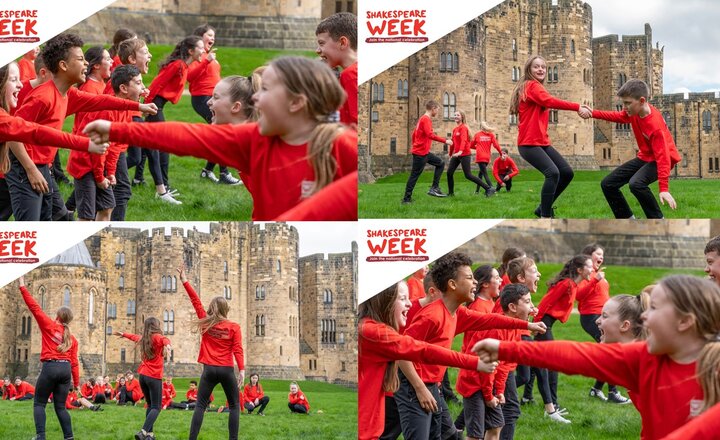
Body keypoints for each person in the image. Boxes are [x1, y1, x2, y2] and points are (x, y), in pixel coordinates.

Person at [84, 56, 357, 221]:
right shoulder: (253, 140)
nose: (257, 97)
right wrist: (116, 129)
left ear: (296, 103)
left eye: (268, 90)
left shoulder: (342, 150)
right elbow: (188, 137)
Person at [473, 275, 720, 440]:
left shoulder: (714, 371)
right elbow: (577, 356)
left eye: (655, 309)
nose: (644, 317)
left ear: (685, 321)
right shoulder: (643, 359)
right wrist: (505, 348)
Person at [396, 252, 546, 440]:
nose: (475, 282)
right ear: (452, 285)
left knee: (450, 436)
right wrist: (420, 388)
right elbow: (400, 351)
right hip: (414, 387)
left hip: (433, 385)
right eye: (469, 278)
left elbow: (491, 320)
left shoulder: (458, 312)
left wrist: (527, 325)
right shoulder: (432, 316)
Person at [7, 33, 154, 221]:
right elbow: (12, 132)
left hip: (43, 166)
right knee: (31, 228)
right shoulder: (42, 97)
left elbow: (102, 100)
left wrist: (138, 106)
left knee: (54, 221)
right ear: (63, 66)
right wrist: (31, 169)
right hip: (24, 167)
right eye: (80, 59)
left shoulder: (70, 94)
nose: (86, 64)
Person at [360, 281, 490, 440]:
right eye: (402, 299)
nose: (409, 303)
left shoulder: (372, 329)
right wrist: (475, 363)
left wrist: (527, 325)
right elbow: (424, 350)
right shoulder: (373, 332)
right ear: (384, 301)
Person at [0, 61, 108, 221]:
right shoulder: (8, 117)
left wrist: (137, 106)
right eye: (14, 80)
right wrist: (86, 144)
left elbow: (98, 102)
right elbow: (38, 132)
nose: (20, 85)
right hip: (21, 171)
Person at [509, 55, 590, 218]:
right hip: (529, 144)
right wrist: (577, 107)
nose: (541, 70)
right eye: (536, 67)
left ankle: (542, 208)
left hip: (541, 142)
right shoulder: (531, 86)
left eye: (543, 67)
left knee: (566, 172)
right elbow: (550, 101)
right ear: (529, 70)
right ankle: (545, 216)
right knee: (553, 173)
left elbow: (546, 101)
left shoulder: (536, 87)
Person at [587, 79, 680, 218]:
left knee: (636, 184)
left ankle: (658, 221)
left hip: (663, 159)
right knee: (608, 184)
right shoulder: (634, 113)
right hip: (646, 157)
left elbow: (663, 158)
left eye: (627, 103)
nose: (624, 107)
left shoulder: (655, 127)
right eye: (623, 103)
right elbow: (618, 116)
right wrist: (592, 113)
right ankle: (628, 220)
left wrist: (664, 189)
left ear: (642, 101)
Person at [533, 254, 604, 421]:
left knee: (535, 367)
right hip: (543, 324)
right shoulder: (566, 284)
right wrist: (535, 325)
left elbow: (579, 293)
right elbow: (545, 303)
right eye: (589, 266)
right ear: (579, 270)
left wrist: (594, 281)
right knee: (550, 365)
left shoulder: (572, 284)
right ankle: (552, 408)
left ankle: (545, 404)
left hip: (546, 324)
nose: (593, 269)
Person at [178, 265, 245, 440]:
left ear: (211, 308)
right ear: (226, 309)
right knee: (235, 405)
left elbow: (195, 301)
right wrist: (242, 370)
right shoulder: (234, 327)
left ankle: (192, 439)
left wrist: (184, 280)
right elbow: (238, 349)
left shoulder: (206, 322)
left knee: (200, 405)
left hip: (209, 370)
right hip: (226, 370)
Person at [19, 276, 80, 440]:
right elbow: (74, 363)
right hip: (66, 370)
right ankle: (69, 437)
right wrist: (77, 383)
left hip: (51, 368)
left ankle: (41, 437)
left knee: (39, 403)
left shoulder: (50, 325)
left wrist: (22, 286)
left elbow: (34, 307)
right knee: (61, 407)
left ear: (58, 316)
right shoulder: (72, 339)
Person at [144, 35, 204, 192]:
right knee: (163, 146)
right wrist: (145, 106)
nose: (204, 50)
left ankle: (140, 179)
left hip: (158, 105)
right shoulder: (177, 65)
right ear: (191, 51)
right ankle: (164, 186)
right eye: (201, 48)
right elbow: (158, 83)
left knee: (145, 147)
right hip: (154, 105)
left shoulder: (184, 66)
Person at [67, 46, 116, 221]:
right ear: (96, 66)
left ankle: (64, 211)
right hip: (87, 154)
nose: (112, 62)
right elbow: (87, 130)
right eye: (108, 59)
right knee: (87, 212)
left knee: (105, 204)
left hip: (98, 155)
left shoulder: (102, 85)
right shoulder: (88, 88)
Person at [188, 24, 242, 185]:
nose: (212, 38)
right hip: (202, 98)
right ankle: (223, 173)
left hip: (213, 97)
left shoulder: (208, 55)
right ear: (200, 37)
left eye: (213, 36)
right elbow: (189, 76)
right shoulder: (198, 55)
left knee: (220, 131)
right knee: (222, 131)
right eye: (209, 35)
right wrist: (206, 61)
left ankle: (207, 171)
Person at [577, 244, 629, 404]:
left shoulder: (596, 274)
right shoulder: (586, 274)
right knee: (611, 349)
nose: (601, 257)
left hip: (602, 315)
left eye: (602, 255)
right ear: (588, 256)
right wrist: (594, 279)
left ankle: (596, 389)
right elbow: (578, 294)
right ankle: (612, 392)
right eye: (598, 254)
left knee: (609, 350)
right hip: (591, 316)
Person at [115, 317, 171, 440]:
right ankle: (143, 431)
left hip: (143, 376)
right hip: (153, 376)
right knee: (156, 407)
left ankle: (150, 436)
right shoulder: (156, 336)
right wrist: (168, 346)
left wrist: (124, 334)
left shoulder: (145, 339)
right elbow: (164, 339)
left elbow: (134, 337)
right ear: (156, 325)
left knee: (150, 405)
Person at [402, 100, 452, 203]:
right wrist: (445, 141)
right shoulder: (426, 119)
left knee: (441, 163)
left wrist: (415, 145)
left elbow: (414, 134)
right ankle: (406, 199)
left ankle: (434, 188)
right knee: (414, 176)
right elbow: (430, 135)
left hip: (423, 152)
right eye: (437, 110)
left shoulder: (422, 119)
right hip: (420, 154)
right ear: (433, 108)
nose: (437, 112)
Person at [316, 12, 357, 127]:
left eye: (321, 43)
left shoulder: (350, 74)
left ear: (342, 43)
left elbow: (356, 125)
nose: (317, 50)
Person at [447, 111, 495, 197]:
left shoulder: (464, 128)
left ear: (462, 117)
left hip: (465, 154)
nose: (456, 116)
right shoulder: (455, 129)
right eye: (455, 115)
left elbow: (464, 140)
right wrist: (451, 154)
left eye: (458, 115)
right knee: (449, 173)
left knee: (468, 175)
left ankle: (488, 188)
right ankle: (451, 194)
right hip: (457, 154)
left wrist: (461, 151)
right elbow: (453, 143)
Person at [470, 121, 502, 193]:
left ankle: (492, 189)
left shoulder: (477, 135)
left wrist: (478, 147)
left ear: (480, 127)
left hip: (480, 157)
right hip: (487, 157)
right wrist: (500, 153)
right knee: (480, 174)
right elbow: (496, 145)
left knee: (484, 174)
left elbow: (470, 145)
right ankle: (477, 191)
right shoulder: (491, 135)